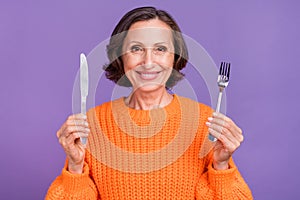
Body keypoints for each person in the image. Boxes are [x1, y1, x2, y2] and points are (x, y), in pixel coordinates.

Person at [46, 6, 253, 200]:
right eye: (136, 48)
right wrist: (75, 166)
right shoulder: (91, 123)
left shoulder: (205, 123)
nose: (148, 62)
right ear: (120, 57)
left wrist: (221, 166)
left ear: (175, 57)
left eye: (160, 49)